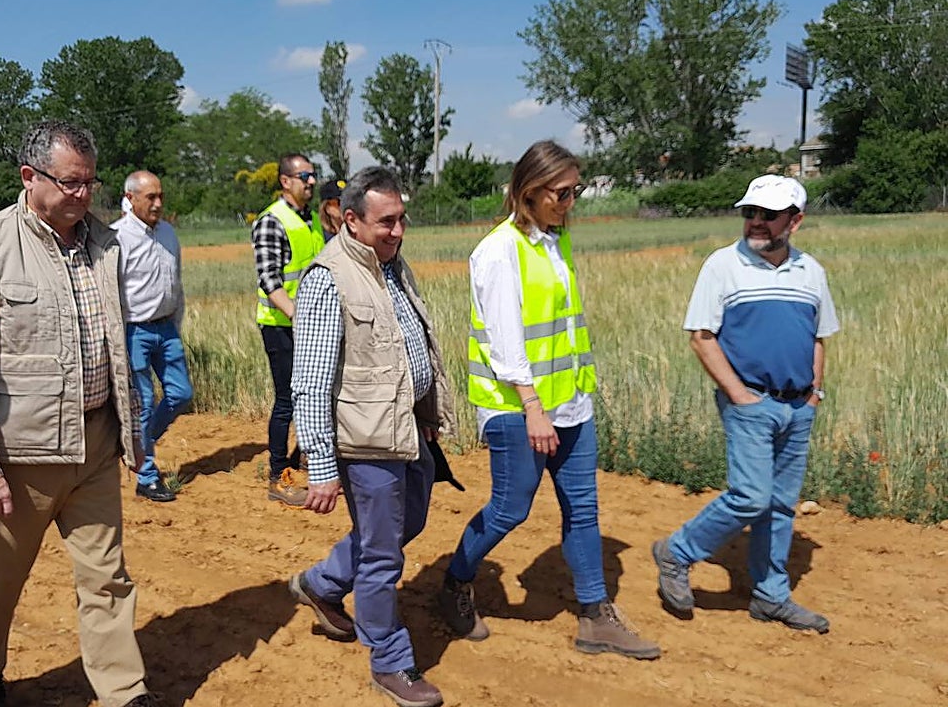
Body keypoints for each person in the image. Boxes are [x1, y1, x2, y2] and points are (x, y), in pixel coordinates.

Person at [0, 121, 157, 707]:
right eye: (70, 183)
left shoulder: (106, 245)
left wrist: (131, 435)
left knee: (106, 577)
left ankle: (123, 690)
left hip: (95, 445)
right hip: (22, 456)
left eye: (90, 183)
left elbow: (118, 346)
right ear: (29, 177)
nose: (83, 195)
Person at [439, 140, 660, 660]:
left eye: (574, 191)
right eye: (561, 192)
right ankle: (454, 583)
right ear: (530, 192)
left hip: (570, 403)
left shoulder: (553, 243)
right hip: (519, 409)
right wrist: (533, 408)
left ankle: (594, 617)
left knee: (583, 510)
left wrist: (574, 395)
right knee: (510, 510)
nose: (570, 201)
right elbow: (505, 338)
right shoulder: (497, 250)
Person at [289, 167, 456, 707]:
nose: (398, 230)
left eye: (401, 218)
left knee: (410, 522)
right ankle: (390, 659)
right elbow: (310, 382)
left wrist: (427, 410)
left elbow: (413, 350)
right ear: (352, 219)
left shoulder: (392, 266)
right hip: (366, 442)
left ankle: (322, 582)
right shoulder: (327, 278)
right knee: (384, 555)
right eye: (387, 221)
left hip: (407, 429)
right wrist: (321, 464)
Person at [653, 174, 839, 633]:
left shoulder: (811, 272)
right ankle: (677, 552)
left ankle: (771, 596)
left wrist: (814, 393)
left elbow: (819, 336)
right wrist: (740, 395)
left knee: (779, 505)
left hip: (797, 407)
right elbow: (701, 337)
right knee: (751, 496)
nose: (755, 222)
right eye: (749, 213)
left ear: (795, 222)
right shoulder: (722, 266)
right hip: (750, 403)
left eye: (767, 216)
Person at [112, 171, 192, 503]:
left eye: (161, 196)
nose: (158, 204)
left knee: (181, 394)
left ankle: (138, 445)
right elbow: (111, 291)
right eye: (150, 198)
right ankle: (146, 476)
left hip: (166, 328)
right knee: (142, 404)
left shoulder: (169, 233)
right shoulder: (117, 238)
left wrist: (177, 319)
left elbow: (176, 280)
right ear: (130, 199)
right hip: (134, 331)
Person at [251, 153, 324, 506]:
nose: (311, 181)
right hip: (281, 325)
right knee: (286, 401)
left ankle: (307, 454)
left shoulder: (309, 220)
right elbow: (270, 280)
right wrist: (297, 314)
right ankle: (279, 477)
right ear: (285, 181)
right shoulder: (271, 221)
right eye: (304, 176)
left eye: (313, 175)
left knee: (315, 393)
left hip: (309, 325)